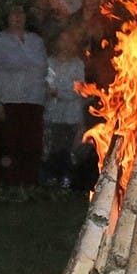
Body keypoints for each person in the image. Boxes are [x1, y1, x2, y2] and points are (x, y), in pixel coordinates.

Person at [0, 0, 48, 185]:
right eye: (13, 14)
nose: (17, 18)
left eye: (21, 14)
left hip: (34, 100)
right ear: (7, 17)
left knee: (32, 144)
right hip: (9, 99)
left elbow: (46, 68)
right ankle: (9, 184)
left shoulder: (36, 41)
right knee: (10, 144)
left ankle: (29, 183)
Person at [42, 27, 87, 188]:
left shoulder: (77, 63)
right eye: (62, 40)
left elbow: (78, 88)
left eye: (69, 40)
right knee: (53, 148)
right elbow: (48, 86)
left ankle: (67, 180)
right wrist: (62, 90)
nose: (65, 44)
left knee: (69, 150)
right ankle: (51, 180)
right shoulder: (49, 62)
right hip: (53, 114)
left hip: (72, 115)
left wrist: (60, 92)